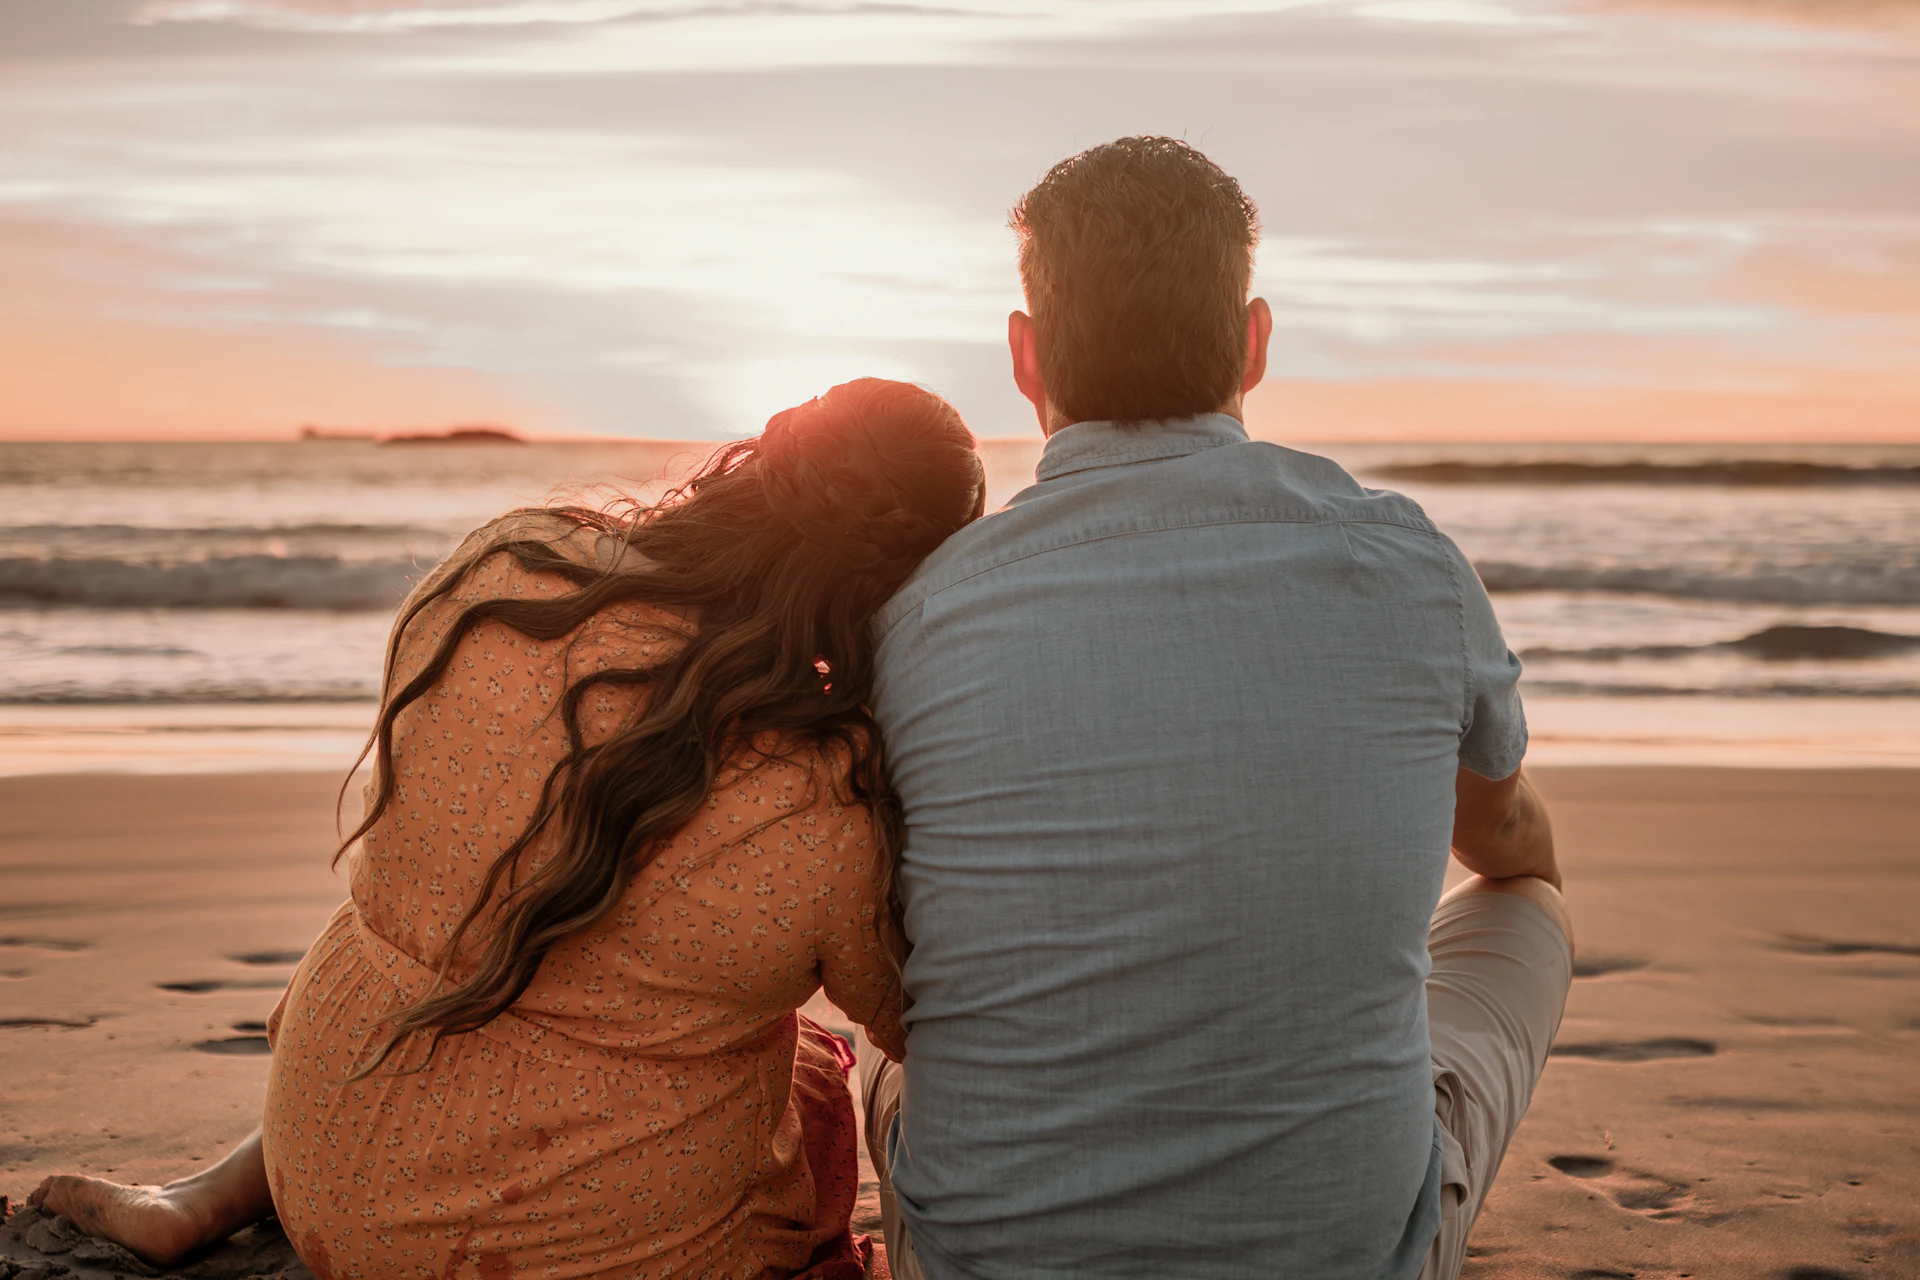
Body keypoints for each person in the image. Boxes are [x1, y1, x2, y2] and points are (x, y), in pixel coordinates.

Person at [30, 378, 986, 1279]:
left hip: (324, 1161)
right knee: (813, 1070)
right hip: (603, 1249)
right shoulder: (822, 797)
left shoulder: (510, 566)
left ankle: (206, 1195)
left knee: (457, 913)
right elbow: (913, 1020)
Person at [857, 136, 1572, 1280]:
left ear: (1025, 356)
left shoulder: (920, 612)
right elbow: (1505, 839)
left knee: (884, 1044)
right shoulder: (1403, 563)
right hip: (1344, 1257)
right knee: (1523, 903)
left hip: (987, 1264)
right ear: (1253, 340)